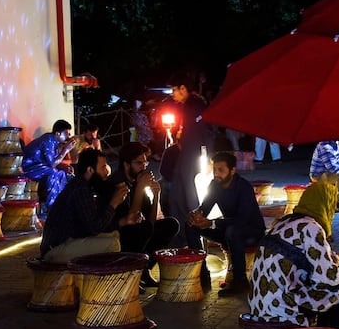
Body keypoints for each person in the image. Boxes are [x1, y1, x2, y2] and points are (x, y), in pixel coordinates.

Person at [248, 181, 339, 329]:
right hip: (282, 308)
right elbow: (328, 280)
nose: (334, 210)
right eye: (332, 204)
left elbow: (312, 263)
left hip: (261, 304)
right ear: (325, 204)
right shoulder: (310, 227)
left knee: (329, 288)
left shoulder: (285, 222)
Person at [186, 151, 266, 296]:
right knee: (191, 225)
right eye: (215, 169)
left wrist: (212, 223)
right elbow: (205, 207)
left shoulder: (244, 188)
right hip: (228, 229)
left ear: (232, 170)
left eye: (221, 170)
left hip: (252, 231)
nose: (216, 174)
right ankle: (202, 275)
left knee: (233, 231)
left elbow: (242, 220)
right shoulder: (215, 185)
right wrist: (196, 215)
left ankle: (240, 282)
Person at [40, 149, 138, 263]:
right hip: (55, 249)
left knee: (114, 235)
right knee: (112, 244)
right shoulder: (80, 189)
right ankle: (100, 281)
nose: (106, 172)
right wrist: (114, 202)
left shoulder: (84, 186)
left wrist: (123, 221)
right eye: (102, 168)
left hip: (69, 241)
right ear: (90, 170)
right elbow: (94, 228)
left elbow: (90, 226)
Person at [105, 142, 179, 289]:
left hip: (138, 231)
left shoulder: (137, 181)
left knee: (171, 224)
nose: (144, 166)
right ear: (126, 164)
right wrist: (139, 188)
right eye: (139, 163)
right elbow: (131, 219)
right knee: (142, 229)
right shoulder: (117, 183)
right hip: (118, 235)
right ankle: (131, 273)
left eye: (145, 162)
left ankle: (145, 269)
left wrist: (156, 195)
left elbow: (150, 221)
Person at [167, 72, 215, 248]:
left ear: (183, 88)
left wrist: (210, 157)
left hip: (192, 156)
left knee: (189, 198)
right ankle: (182, 238)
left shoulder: (196, 105)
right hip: (186, 155)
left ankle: (194, 238)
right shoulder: (187, 106)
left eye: (174, 89)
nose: (172, 94)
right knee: (178, 197)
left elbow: (208, 131)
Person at [22, 119, 77, 215]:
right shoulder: (48, 140)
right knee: (53, 172)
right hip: (28, 168)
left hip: (39, 167)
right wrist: (66, 150)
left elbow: (54, 162)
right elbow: (52, 164)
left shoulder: (54, 142)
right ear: (58, 133)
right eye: (67, 133)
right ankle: (52, 208)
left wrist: (63, 164)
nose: (69, 136)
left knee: (62, 173)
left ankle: (61, 204)